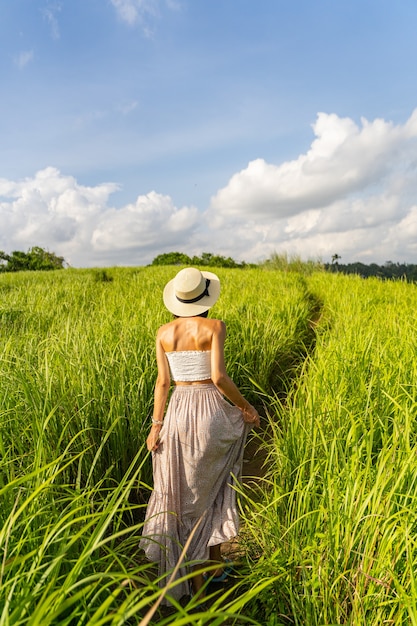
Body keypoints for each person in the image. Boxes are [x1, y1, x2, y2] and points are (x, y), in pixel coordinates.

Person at [139, 267, 260, 604]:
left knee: (178, 495)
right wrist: (247, 408)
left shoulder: (164, 332)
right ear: (205, 300)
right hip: (208, 411)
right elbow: (219, 377)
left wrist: (156, 425)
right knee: (214, 488)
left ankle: (192, 574)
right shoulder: (214, 327)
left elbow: (162, 383)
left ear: (177, 300)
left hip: (177, 412)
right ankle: (211, 568)